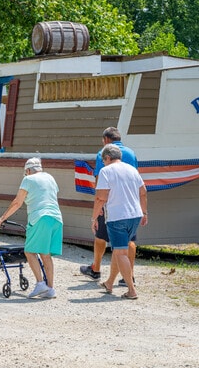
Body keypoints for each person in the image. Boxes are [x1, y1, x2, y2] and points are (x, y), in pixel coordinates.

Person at [0, 157, 63, 299]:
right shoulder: (50, 177)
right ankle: (50, 288)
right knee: (46, 254)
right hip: (56, 218)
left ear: (28, 170)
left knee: (30, 251)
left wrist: (3, 218)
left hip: (40, 217)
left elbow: (17, 202)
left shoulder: (28, 180)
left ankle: (40, 284)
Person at [80, 127, 138, 285]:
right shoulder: (131, 153)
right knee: (130, 240)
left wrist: (98, 206)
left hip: (111, 203)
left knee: (100, 237)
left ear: (105, 140)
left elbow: (100, 180)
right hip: (131, 204)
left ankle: (96, 269)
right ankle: (129, 276)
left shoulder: (103, 153)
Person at [92, 144, 148, 299]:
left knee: (121, 252)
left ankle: (131, 290)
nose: (103, 163)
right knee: (119, 249)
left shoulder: (106, 171)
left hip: (117, 216)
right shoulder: (132, 170)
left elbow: (100, 197)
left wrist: (94, 217)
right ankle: (109, 282)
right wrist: (144, 212)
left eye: (103, 160)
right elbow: (143, 193)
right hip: (135, 215)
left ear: (108, 158)